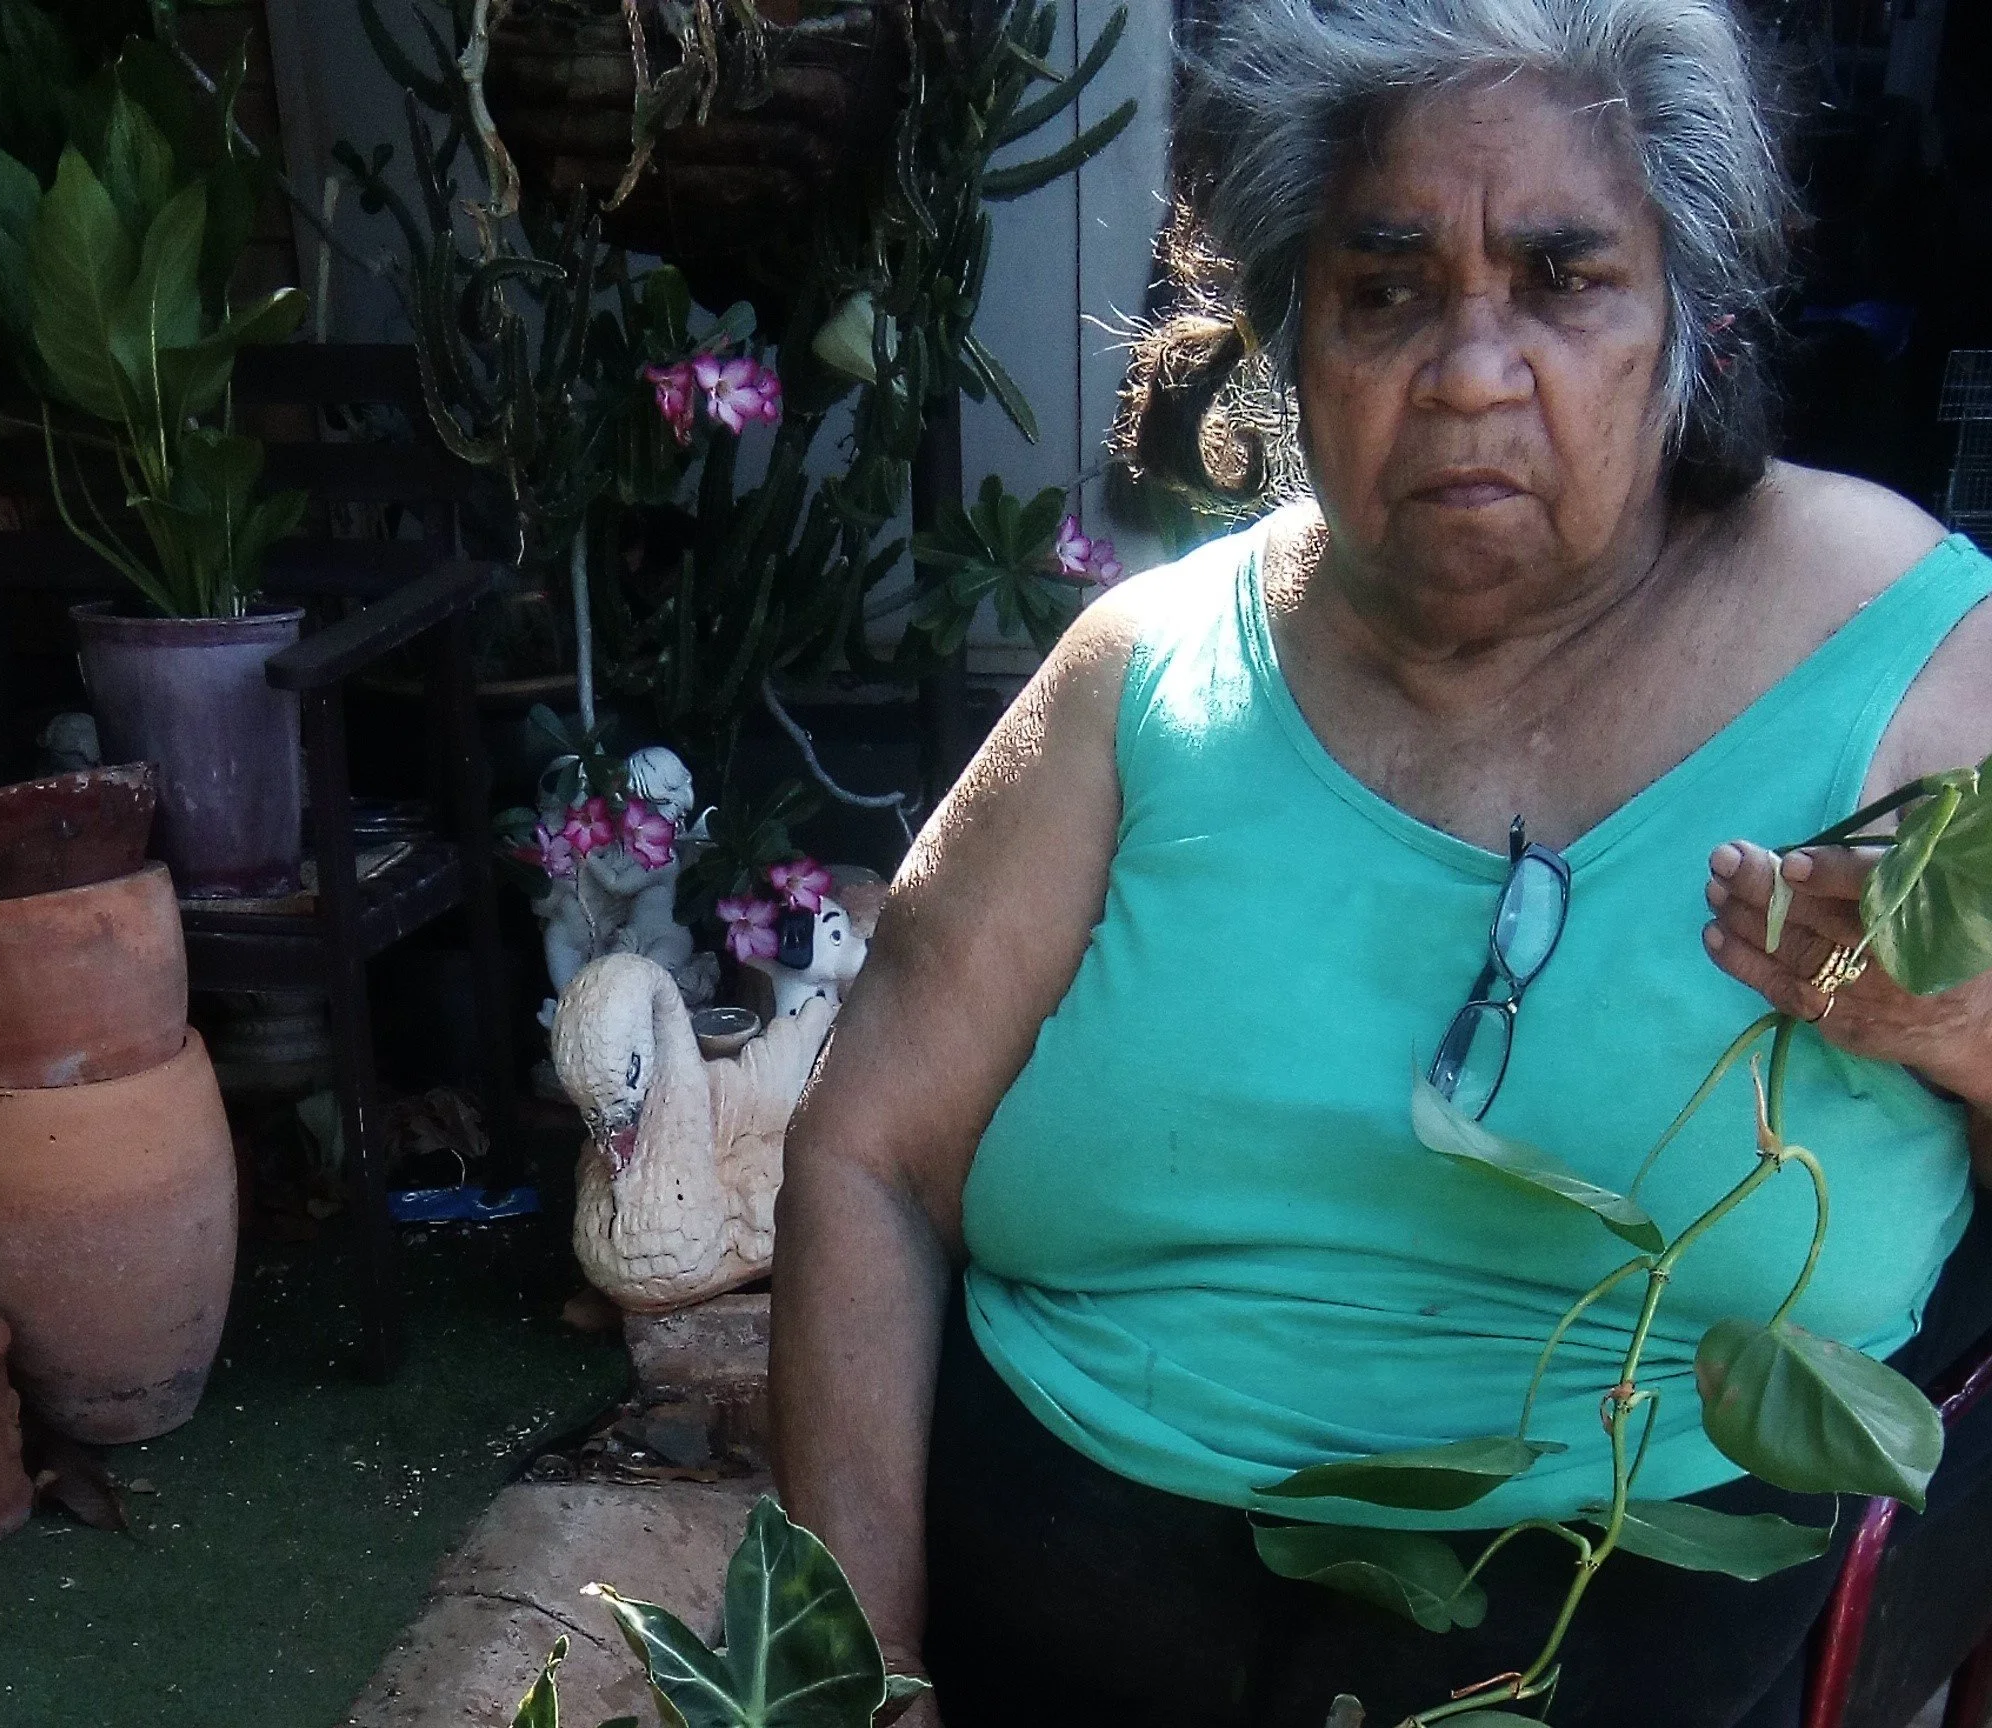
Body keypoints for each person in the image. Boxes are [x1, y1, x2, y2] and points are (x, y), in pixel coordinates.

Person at [770, 2, 1992, 1723]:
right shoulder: (1146, 676)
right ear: (1287, 339)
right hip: (1045, 1620)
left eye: (1566, 280)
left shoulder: (1915, 669)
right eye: (1387, 287)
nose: (1474, 372)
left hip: (1608, 1631)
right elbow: (867, 1160)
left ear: (1688, 321)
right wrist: (859, 1683)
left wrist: (1958, 1031)